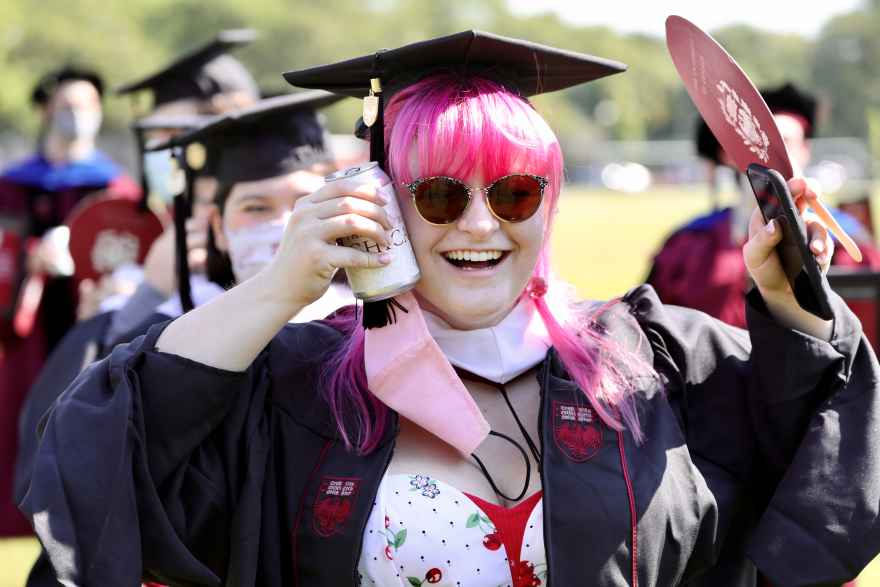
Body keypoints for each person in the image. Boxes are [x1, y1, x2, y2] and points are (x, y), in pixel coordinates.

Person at [20, 32, 880, 586]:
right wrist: (281, 286)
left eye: (513, 192)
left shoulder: (648, 361)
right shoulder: (299, 382)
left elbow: (820, 454)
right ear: (381, 201)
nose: (479, 223)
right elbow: (102, 447)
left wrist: (791, 299)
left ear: (549, 204)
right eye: (436, 194)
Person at [11, 33, 261, 586]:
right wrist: (123, 312)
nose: (165, 154)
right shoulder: (137, 260)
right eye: (155, 138)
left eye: (178, 137)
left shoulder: (281, 267)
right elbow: (58, 448)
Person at [0, 65, 139, 537]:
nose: (76, 116)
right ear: (44, 110)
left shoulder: (116, 189)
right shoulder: (12, 185)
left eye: (86, 107)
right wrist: (27, 260)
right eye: (65, 107)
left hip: (90, 321)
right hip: (26, 329)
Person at [647, 82, 880, 328]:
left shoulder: (847, 244)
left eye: (784, 141)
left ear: (805, 150)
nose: (769, 153)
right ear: (727, 153)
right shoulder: (688, 246)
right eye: (754, 141)